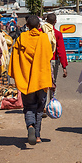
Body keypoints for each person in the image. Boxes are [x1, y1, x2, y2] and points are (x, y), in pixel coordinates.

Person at [8, 15, 53, 145]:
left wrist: (15, 74)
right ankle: (38, 136)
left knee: (29, 107)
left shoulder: (21, 38)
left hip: (26, 81)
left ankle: (30, 127)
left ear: (26, 26)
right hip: (41, 80)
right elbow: (49, 56)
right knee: (39, 109)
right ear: (39, 26)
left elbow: (14, 58)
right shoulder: (44, 38)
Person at [42, 14, 68, 101]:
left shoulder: (40, 31)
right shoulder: (57, 34)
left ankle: (43, 105)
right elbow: (61, 51)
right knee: (53, 82)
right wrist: (64, 66)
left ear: (46, 20)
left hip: (41, 61)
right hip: (53, 61)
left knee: (42, 83)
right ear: (55, 21)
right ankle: (52, 103)